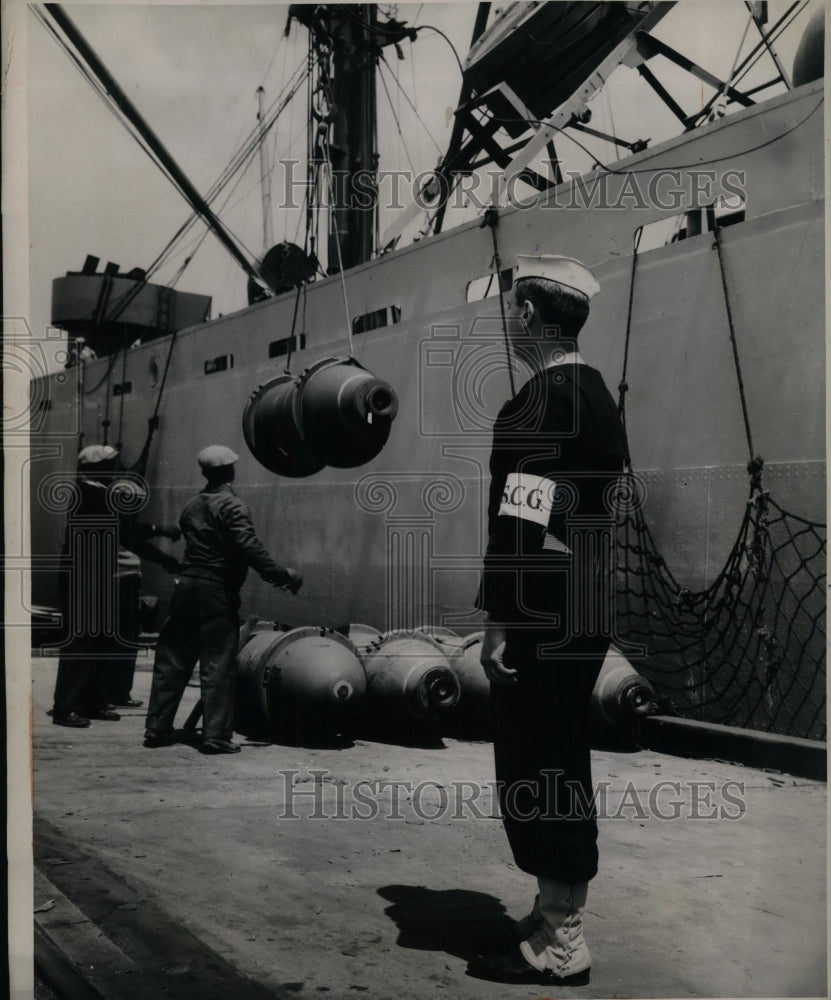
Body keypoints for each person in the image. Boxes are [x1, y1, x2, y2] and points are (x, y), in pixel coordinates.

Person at [467, 255, 628, 986]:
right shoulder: (594, 393)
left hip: (541, 602)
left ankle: (562, 942)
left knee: (537, 760)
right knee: (560, 752)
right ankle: (551, 912)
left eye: (511, 308)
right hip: (583, 595)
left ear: (530, 315)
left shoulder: (538, 399)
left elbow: (521, 511)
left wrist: (501, 614)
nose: (506, 319)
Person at [144, 445, 302, 753]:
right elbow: (249, 547)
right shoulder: (232, 507)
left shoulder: (191, 506)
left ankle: (157, 728)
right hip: (214, 590)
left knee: (173, 659)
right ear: (230, 471)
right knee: (218, 662)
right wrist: (282, 575)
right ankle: (215, 735)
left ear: (205, 473)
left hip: (185, 587)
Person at [50, 445, 180, 726]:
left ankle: (93, 703)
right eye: (114, 464)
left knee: (100, 640)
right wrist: (164, 550)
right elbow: (127, 533)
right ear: (99, 468)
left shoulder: (93, 491)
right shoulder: (91, 494)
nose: (118, 470)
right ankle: (66, 707)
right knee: (82, 643)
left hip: (96, 578)